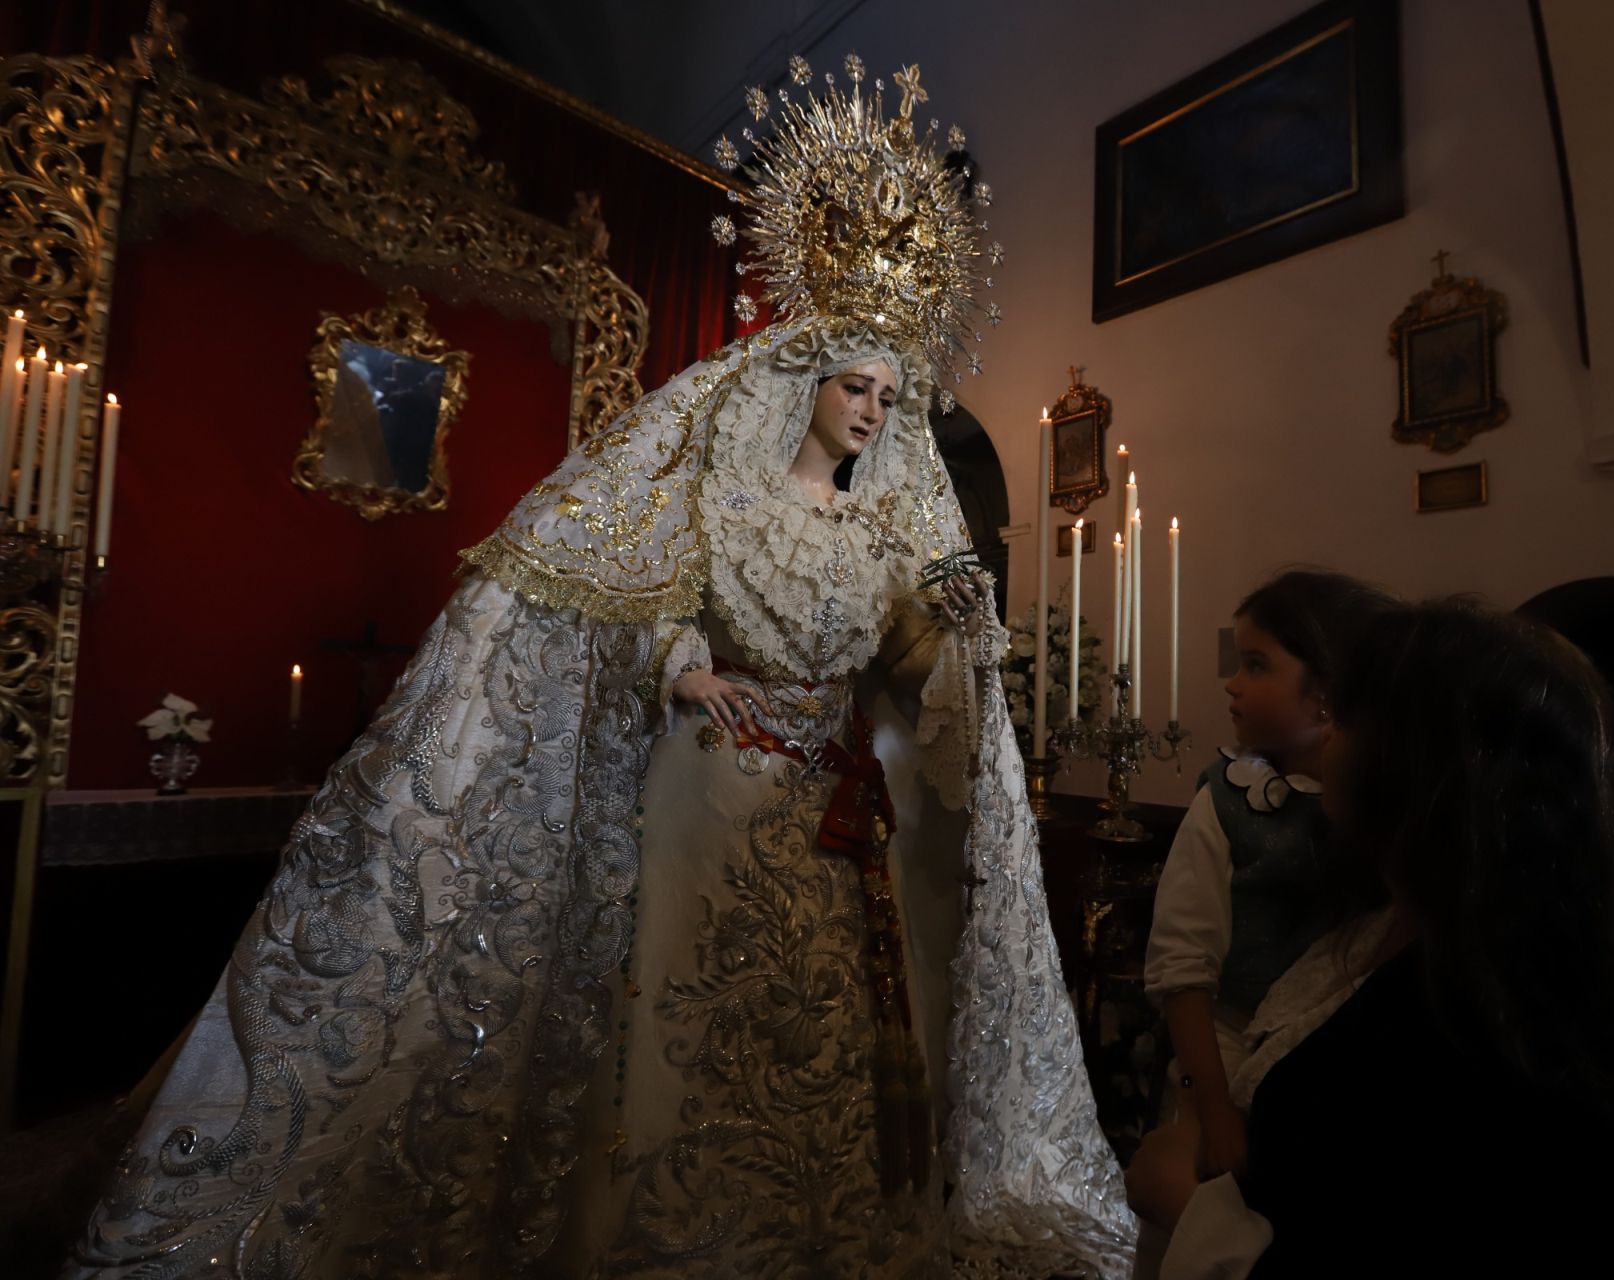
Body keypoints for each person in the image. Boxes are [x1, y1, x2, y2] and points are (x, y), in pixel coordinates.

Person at [67, 56, 1133, 1279]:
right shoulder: (720, 498)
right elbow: (646, 595)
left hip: (834, 812)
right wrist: (683, 666)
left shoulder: (886, 531)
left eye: (892, 394)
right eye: (855, 383)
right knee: (690, 1022)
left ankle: (814, 1232)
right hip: (716, 789)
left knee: (820, 1024)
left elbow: (911, 667)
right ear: (801, 381)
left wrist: (959, 634)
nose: (873, 410)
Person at [1128, 600, 1614, 1277]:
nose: (1331, 740)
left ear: (1416, 765)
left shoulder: (1458, 1028)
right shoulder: (1474, 940)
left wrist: (1189, 1204)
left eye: (1348, 720)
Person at [1132, 572, 1392, 1259]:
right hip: (1226, 1051)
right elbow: (1184, 966)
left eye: (1256, 665)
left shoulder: (1386, 809)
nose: (1232, 684)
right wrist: (1211, 1109)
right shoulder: (1225, 802)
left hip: (1341, 1066)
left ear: (1329, 692)